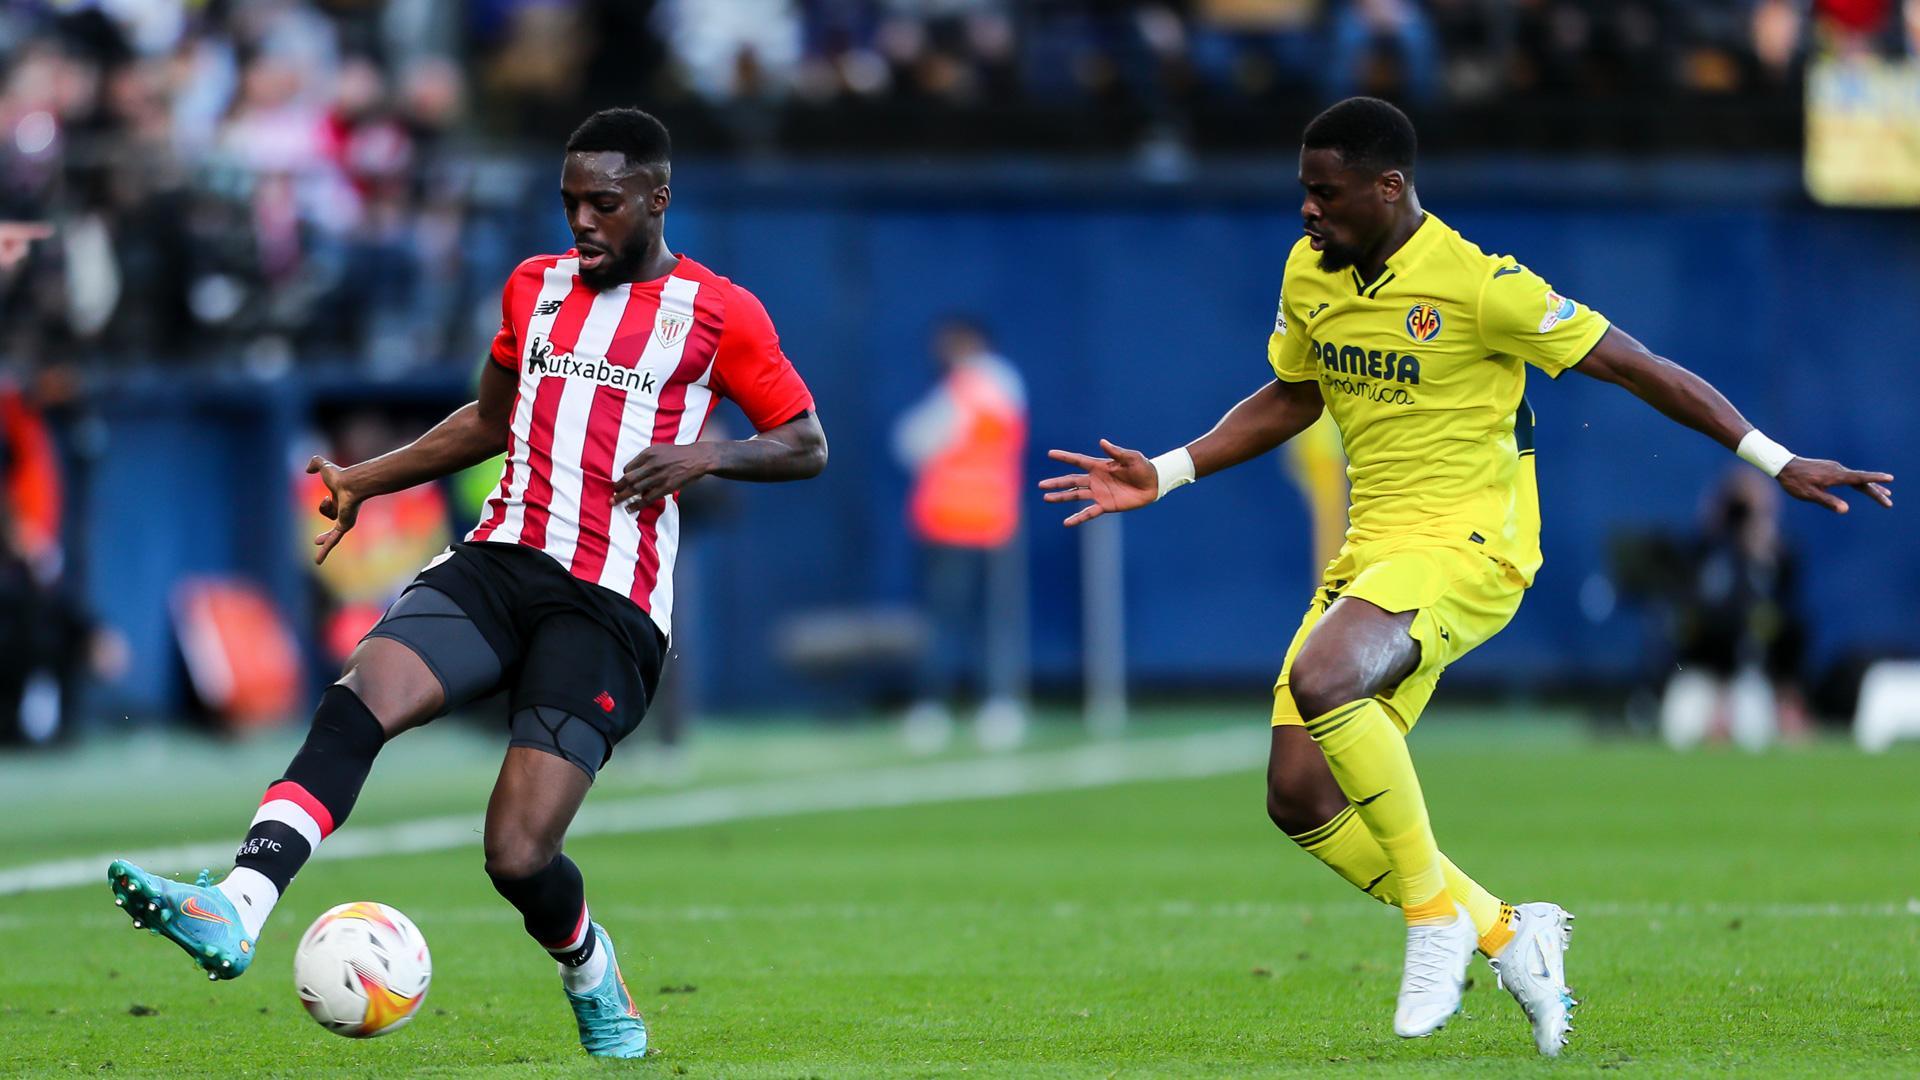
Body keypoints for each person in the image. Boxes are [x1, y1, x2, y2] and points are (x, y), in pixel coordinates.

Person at [1040, 97, 1892, 1056]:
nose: (1308, 211)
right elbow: (1294, 394)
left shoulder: (1482, 285)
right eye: (1303, 192)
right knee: (1297, 793)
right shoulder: (1309, 274)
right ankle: (1503, 930)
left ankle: (1430, 920)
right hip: (1375, 550)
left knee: (1326, 682)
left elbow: (1637, 366)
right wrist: (1169, 469)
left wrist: (1776, 461)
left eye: (1326, 193)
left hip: (1474, 546)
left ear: (1388, 186)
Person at [105, 107, 828, 1060]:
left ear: (657, 199)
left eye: (603, 203)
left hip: (608, 602)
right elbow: (490, 421)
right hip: (499, 559)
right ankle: (237, 905)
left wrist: (708, 454)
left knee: (517, 854)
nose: (581, 221)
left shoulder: (720, 313)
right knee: (363, 697)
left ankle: (589, 968)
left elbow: (806, 442)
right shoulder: (534, 288)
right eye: (569, 200)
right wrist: (369, 477)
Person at [892, 317, 1029, 752]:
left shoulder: (972, 387)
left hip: (958, 518)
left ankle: (939, 707)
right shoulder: (1000, 385)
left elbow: (912, 442)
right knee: (983, 620)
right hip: (982, 518)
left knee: (947, 620)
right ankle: (992, 705)